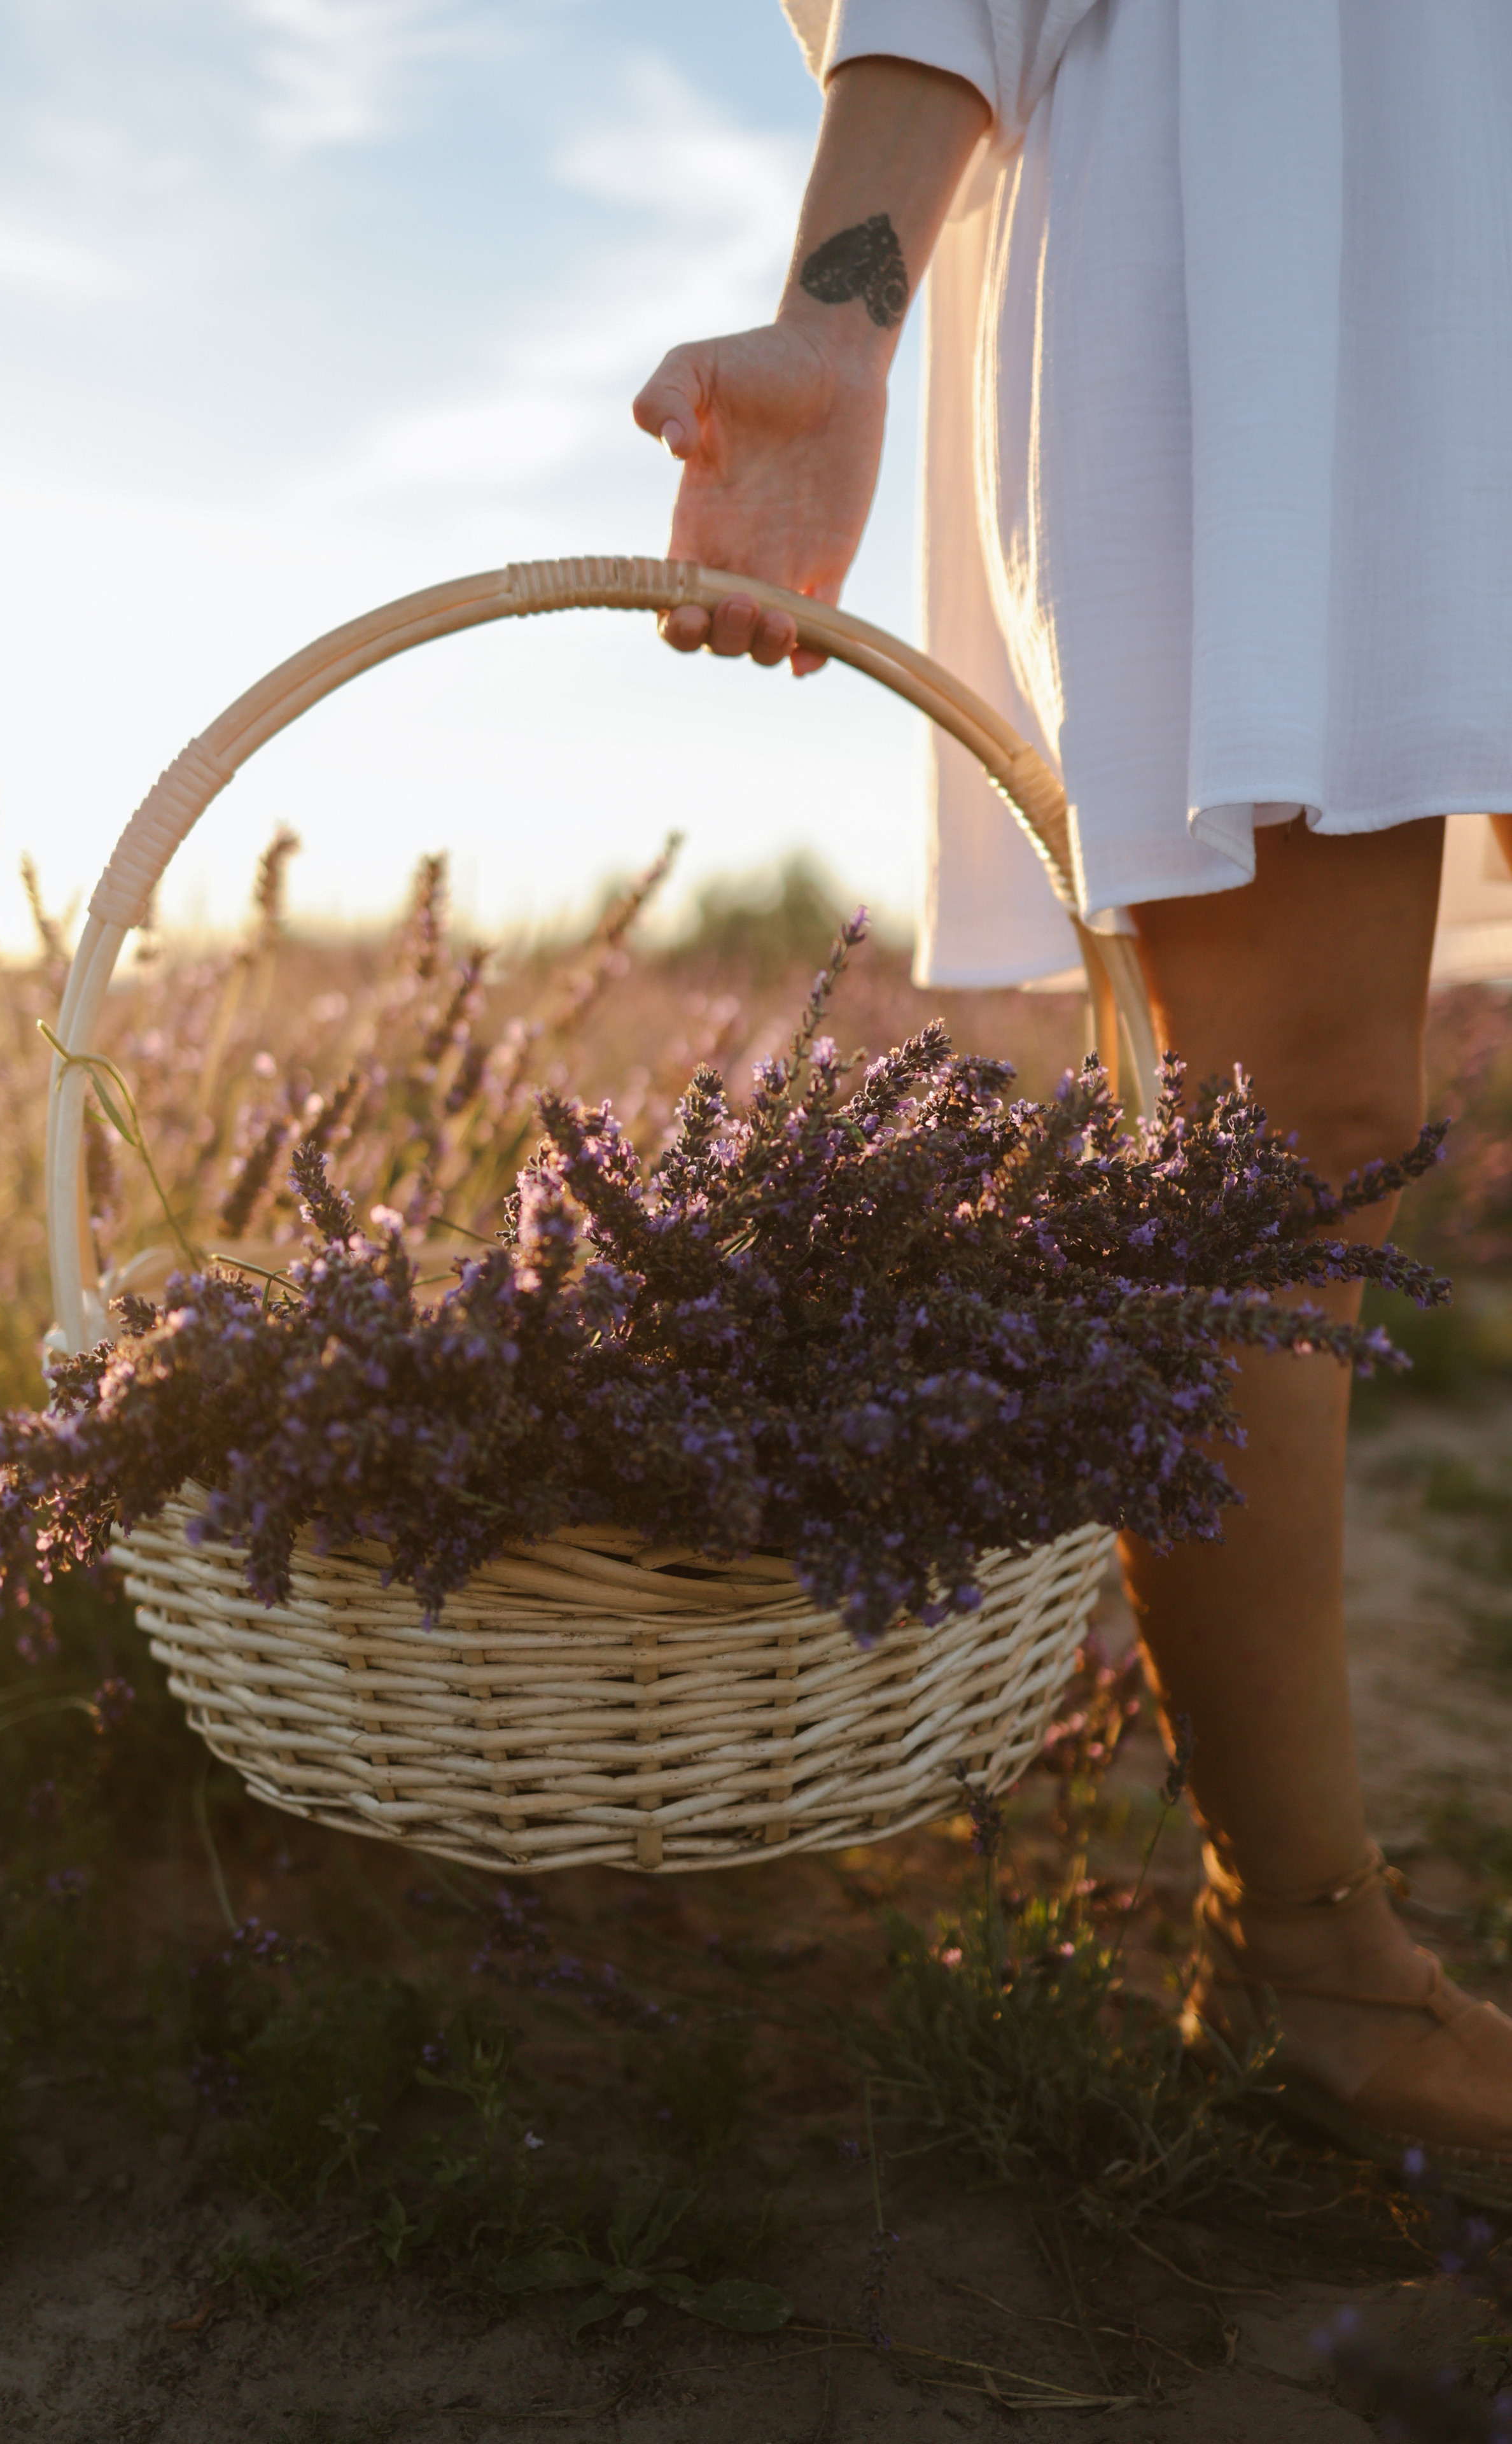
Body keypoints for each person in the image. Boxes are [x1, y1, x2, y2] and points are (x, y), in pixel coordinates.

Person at [633, 2, 1512, 2203]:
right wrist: (848, 311)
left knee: (1267, 1150)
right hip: (1276, 182)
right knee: (1274, 1141)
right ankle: (1307, 1957)